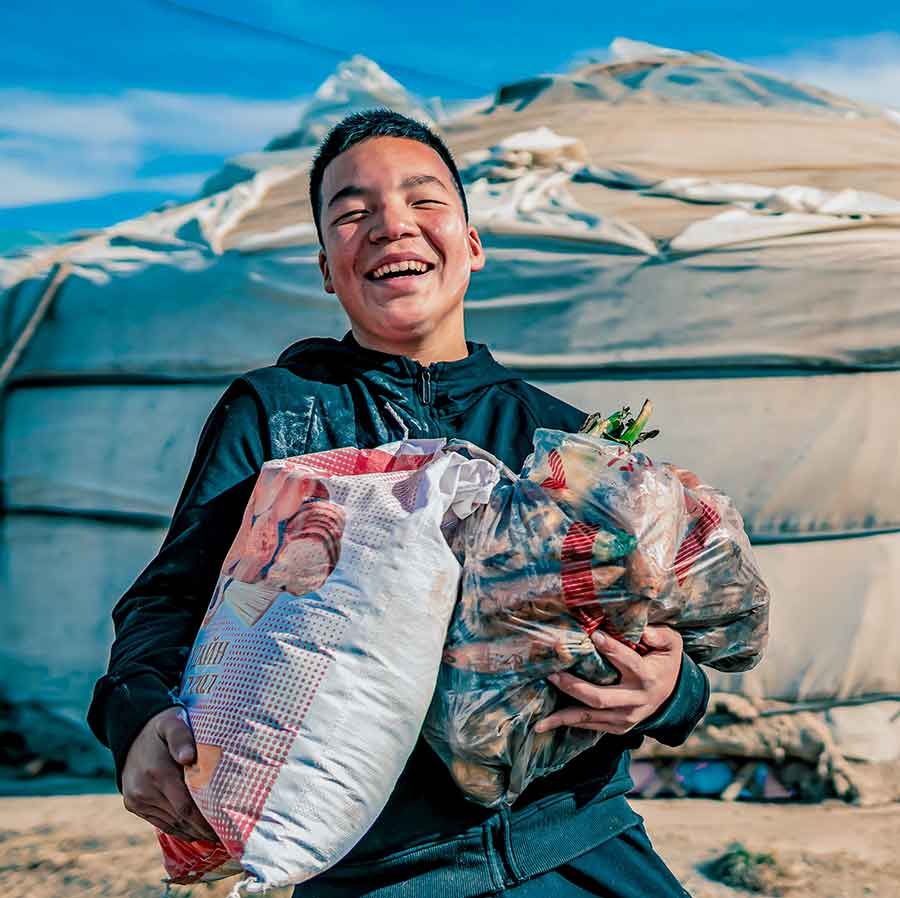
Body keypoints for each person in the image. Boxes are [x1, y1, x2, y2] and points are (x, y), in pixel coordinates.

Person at [88, 109, 708, 898]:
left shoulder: (563, 440)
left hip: (580, 841)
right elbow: (170, 597)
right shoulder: (279, 414)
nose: (391, 225)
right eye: (353, 213)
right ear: (326, 268)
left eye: (423, 200)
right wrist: (137, 714)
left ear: (472, 244)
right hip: (378, 867)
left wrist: (671, 690)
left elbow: (662, 631)